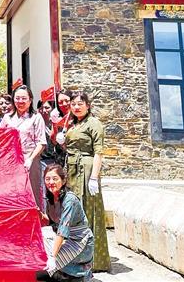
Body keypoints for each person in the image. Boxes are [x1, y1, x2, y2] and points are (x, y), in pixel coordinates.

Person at [64, 91, 110, 272]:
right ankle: (77, 255)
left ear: (88, 105)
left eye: (80, 104)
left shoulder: (94, 123)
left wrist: (93, 177)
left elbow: (99, 152)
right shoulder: (74, 123)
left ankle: (94, 260)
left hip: (86, 169)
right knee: (76, 211)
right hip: (73, 170)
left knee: (88, 211)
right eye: (73, 104)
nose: (76, 107)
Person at [41, 164, 94, 282]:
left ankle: (76, 275)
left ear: (63, 181)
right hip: (66, 239)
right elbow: (51, 221)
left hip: (80, 242)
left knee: (51, 258)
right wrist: (37, 214)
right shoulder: (50, 197)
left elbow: (62, 230)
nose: (51, 182)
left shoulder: (70, 199)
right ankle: (58, 272)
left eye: (55, 179)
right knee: (40, 238)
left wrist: (52, 257)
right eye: (47, 179)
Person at [2, 85, 47, 210]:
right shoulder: (7, 118)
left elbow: (41, 142)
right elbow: (0, 138)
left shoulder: (36, 117)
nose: (20, 101)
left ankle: (35, 218)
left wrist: (30, 159)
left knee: (32, 191)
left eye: (24, 98)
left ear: (30, 100)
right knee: (13, 192)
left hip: (30, 159)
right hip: (11, 161)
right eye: (17, 98)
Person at [50, 91, 73, 167]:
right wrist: (54, 123)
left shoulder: (77, 117)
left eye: (67, 101)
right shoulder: (58, 118)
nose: (64, 104)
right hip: (60, 158)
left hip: (74, 157)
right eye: (60, 102)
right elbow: (53, 141)